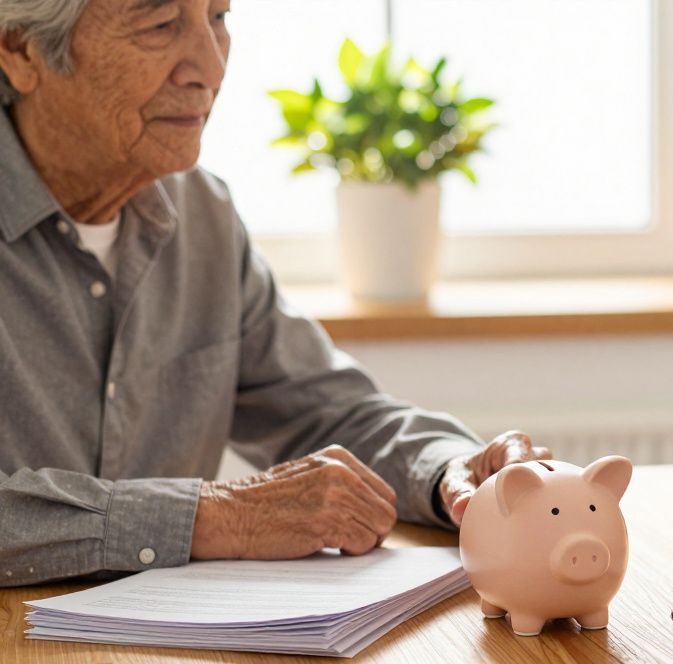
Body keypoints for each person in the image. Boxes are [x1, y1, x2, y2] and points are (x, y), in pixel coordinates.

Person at [0, 0, 546, 586]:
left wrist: (448, 471)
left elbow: (323, 410)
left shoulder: (201, 213)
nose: (209, 66)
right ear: (21, 51)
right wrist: (215, 518)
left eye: (219, 16)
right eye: (160, 25)